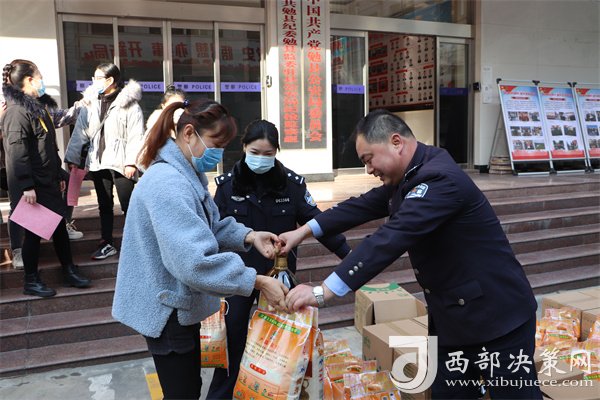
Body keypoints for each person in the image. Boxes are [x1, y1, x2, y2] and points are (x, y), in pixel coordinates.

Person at [281, 109, 542, 399]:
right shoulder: (410, 175)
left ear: (396, 142)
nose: (368, 170)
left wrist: (323, 291)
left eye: (369, 159)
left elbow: (391, 237)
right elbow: (360, 206)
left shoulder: (440, 179)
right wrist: (302, 231)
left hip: (498, 320)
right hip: (453, 320)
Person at [112, 99, 289, 400]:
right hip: (166, 310)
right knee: (183, 393)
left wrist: (249, 235)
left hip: (176, 304)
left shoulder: (185, 173)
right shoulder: (168, 183)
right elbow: (194, 262)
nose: (218, 154)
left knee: (187, 388)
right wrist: (257, 281)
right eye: (215, 144)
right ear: (189, 133)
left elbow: (210, 226)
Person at [207, 119, 351, 399]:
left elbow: (317, 222)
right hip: (241, 277)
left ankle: (278, 392)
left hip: (280, 277)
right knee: (233, 339)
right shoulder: (227, 186)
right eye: (255, 152)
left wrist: (348, 254)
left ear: (277, 152)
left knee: (284, 343)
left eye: (268, 153)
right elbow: (214, 231)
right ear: (244, 147)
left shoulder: (292, 185)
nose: (261, 159)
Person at [1, 59, 91, 297]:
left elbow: (48, 147)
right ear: (29, 80)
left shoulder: (36, 108)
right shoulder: (17, 112)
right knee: (32, 234)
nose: (42, 81)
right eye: (39, 77)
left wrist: (59, 173)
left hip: (47, 181)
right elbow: (17, 153)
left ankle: (68, 270)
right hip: (32, 186)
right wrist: (27, 186)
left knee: (59, 227)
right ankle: (31, 280)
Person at [65, 63, 144, 260]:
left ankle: (137, 243)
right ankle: (107, 243)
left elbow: (136, 135)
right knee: (104, 205)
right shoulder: (90, 103)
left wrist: (132, 162)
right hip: (97, 161)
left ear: (110, 80)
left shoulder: (129, 104)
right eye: (94, 78)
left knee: (128, 204)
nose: (94, 81)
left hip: (122, 163)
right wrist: (73, 157)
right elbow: (80, 132)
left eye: (98, 78)